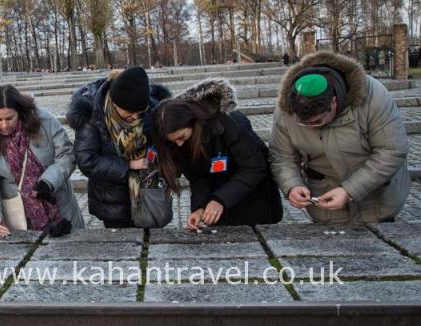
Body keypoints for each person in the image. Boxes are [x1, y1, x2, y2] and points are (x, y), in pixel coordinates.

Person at [270, 51, 409, 223]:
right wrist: (292, 185)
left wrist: (349, 190)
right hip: (325, 204)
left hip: (376, 199)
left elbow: (391, 151)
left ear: (334, 102)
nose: (310, 127)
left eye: (317, 121)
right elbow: (282, 156)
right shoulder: (286, 109)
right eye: (303, 124)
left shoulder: (374, 95)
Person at [151, 79, 283, 229]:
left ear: (192, 122)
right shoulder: (179, 143)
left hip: (254, 201)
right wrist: (199, 208)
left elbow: (254, 168)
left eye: (181, 137)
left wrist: (220, 200)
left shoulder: (230, 122)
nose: (179, 144)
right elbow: (198, 177)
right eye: (173, 141)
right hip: (222, 206)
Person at [66, 67, 171, 228]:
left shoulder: (151, 108)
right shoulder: (92, 115)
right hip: (112, 201)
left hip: (148, 194)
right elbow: (87, 161)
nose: (135, 117)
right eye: (129, 112)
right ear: (115, 103)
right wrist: (128, 165)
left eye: (140, 113)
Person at [0, 85, 84, 237]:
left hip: (56, 200)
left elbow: (66, 154)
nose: (4, 125)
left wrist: (49, 181)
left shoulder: (45, 120)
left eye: (9, 118)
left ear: (19, 112)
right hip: (17, 211)